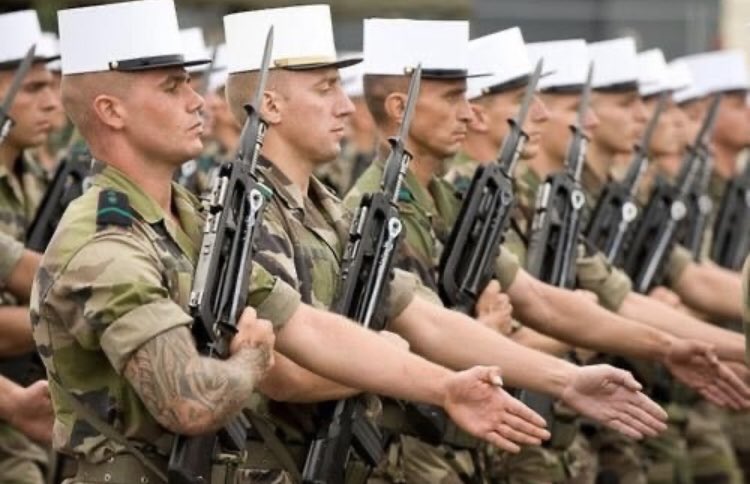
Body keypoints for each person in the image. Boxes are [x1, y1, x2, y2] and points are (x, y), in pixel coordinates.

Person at [34, 2, 567, 481]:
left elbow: (305, 326)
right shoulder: (106, 241)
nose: (200, 102)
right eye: (173, 87)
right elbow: (188, 400)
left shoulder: (194, 219)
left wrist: (446, 387)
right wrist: (252, 361)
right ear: (111, 111)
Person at [225, 11, 668, 483]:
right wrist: (415, 363)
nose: (347, 106)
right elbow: (285, 372)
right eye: (326, 88)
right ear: (270, 105)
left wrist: (566, 380)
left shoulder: (331, 211)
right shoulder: (246, 214)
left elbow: (429, 322)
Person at [0, 9, 62, 483]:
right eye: (32, 87)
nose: (51, 102)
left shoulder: (40, 180)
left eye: (52, 86)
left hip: (32, 416)